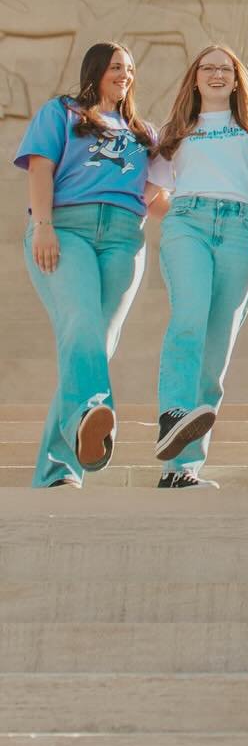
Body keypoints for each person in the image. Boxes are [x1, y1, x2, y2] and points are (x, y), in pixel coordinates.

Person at [13, 43, 156, 487]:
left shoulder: (142, 133)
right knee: (81, 327)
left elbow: (157, 193)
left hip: (124, 238)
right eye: (116, 66)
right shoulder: (63, 112)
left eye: (130, 69)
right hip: (65, 229)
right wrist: (43, 226)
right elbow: (39, 168)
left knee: (95, 347)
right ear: (95, 70)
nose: (124, 75)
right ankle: (92, 416)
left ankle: (57, 472)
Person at [148, 46, 248, 488]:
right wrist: (184, 217)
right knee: (188, 319)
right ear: (195, 77)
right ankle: (173, 413)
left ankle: (180, 470)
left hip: (241, 231)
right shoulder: (177, 130)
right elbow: (151, 192)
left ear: (237, 80)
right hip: (189, 226)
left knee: (216, 348)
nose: (217, 74)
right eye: (209, 68)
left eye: (226, 69)